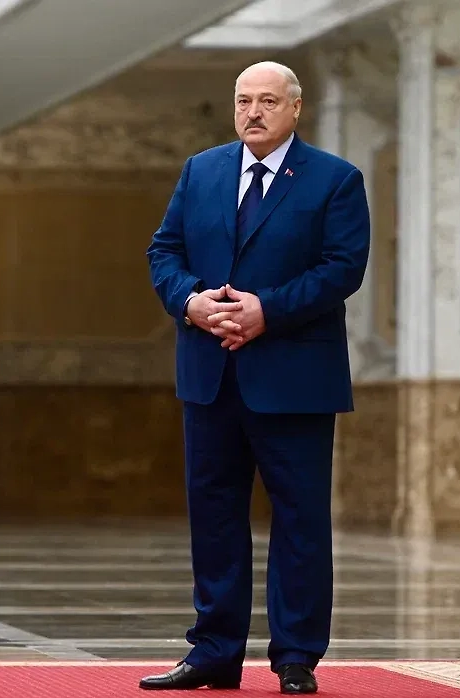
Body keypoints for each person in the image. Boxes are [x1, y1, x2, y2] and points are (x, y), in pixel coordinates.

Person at [139, 61, 370, 694]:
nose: (253, 112)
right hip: (210, 373)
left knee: (299, 520)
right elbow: (164, 251)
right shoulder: (202, 170)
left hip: (295, 378)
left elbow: (343, 267)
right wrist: (190, 302)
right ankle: (214, 652)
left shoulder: (335, 179)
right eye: (244, 101)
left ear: (296, 108)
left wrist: (267, 310)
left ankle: (296, 657)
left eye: (268, 101)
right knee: (214, 516)